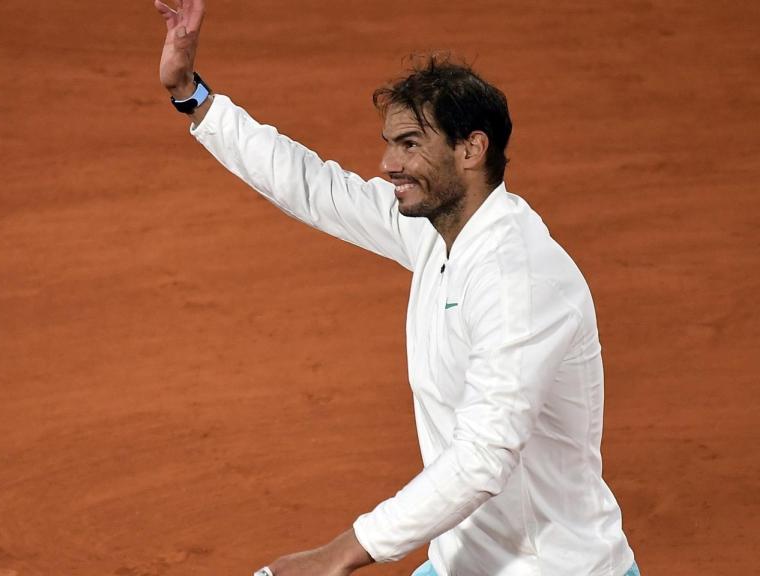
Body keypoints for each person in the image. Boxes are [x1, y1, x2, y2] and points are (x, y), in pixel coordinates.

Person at [152, 1, 640, 575]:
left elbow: (483, 456)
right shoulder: (439, 230)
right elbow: (312, 185)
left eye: (410, 144)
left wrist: (341, 552)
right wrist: (194, 97)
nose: (388, 162)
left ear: (471, 149)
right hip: (464, 562)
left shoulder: (519, 281)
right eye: (390, 142)